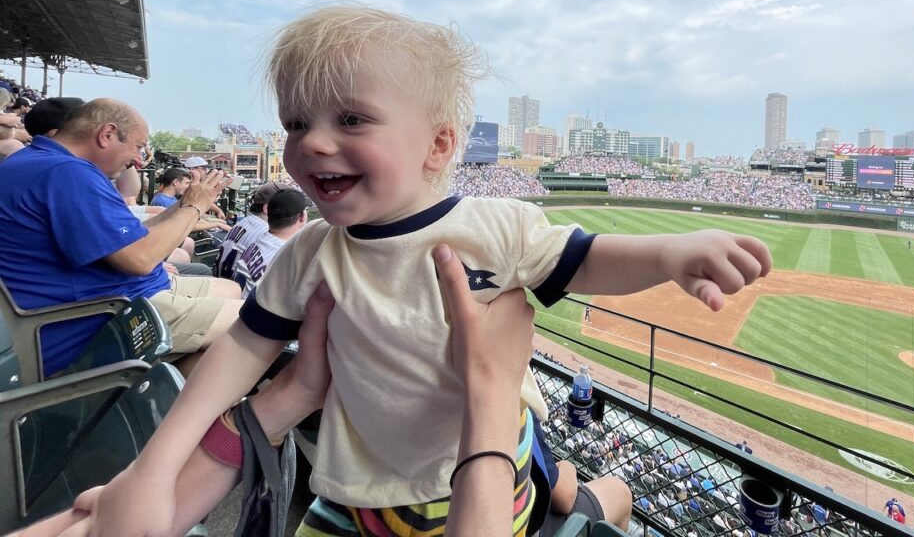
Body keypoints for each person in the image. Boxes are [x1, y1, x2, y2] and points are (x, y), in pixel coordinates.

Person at [80, 6, 771, 537]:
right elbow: (239, 350)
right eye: (296, 122)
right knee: (565, 498)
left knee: (555, 499)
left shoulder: (493, 224)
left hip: (481, 479)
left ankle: (593, 495)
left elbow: (584, 258)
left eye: (351, 118)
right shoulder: (312, 253)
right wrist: (152, 470)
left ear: (438, 143)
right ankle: (589, 495)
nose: (312, 142)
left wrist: (674, 252)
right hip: (366, 495)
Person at [21, 246, 553, 537]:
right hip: (450, 485)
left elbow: (109, 528)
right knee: (596, 498)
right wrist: (493, 390)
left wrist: (292, 395)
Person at [0, 98, 242, 375]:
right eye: (138, 147)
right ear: (107, 135)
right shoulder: (67, 173)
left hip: (106, 296)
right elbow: (139, 259)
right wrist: (194, 206)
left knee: (231, 291)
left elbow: (134, 239)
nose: (139, 160)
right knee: (255, 325)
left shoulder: (41, 161)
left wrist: (184, 204)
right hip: (95, 316)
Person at [233, 188, 311, 296]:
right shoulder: (288, 256)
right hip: (250, 310)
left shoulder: (259, 240)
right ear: (302, 216)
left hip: (237, 302)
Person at [215, 182, 284, 278]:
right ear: (267, 208)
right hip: (236, 289)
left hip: (221, 281)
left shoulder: (243, 222)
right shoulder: (266, 234)